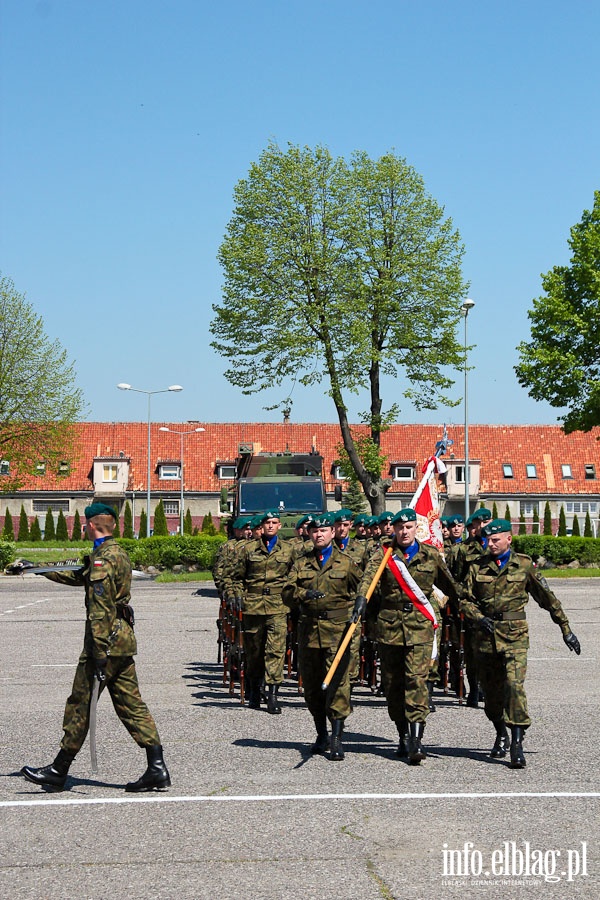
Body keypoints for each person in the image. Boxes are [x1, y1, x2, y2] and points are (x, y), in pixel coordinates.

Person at [20, 503, 170, 792]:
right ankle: (157, 767)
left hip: (106, 643)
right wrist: (38, 569)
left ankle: (58, 769)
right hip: (122, 642)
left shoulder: (103, 560)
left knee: (80, 703)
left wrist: (99, 652)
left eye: (84, 523)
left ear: (92, 525)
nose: (80, 527)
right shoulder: (115, 553)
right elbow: (78, 575)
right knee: (131, 705)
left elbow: (100, 609)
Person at [461, 518, 581, 768]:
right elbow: (465, 600)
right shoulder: (477, 567)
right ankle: (500, 732)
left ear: (508, 539)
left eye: (495, 540)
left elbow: (547, 598)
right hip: (485, 638)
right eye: (488, 540)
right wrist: (478, 617)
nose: (490, 544)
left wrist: (565, 629)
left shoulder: (524, 565)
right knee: (492, 696)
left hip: (515, 637)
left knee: (514, 687)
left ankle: (517, 742)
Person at [353, 508, 461, 764]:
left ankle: (416, 740)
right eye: (399, 527)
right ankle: (402, 734)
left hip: (420, 627)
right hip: (390, 629)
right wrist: (360, 600)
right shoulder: (384, 554)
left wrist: (469, 609)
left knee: (416, 681)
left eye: (409, 527)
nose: (404, 532)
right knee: (393, 685)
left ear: (416, 529)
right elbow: (368, 580)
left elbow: (451, 587)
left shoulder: (431, 555)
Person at [284, 513, 362, 760]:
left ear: (332, 533)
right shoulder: (300, 563)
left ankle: (337, 738)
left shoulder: (346, 563)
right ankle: (321, 734)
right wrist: (303, 595)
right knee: (312, 687)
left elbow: (362, 590)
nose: (319, 534)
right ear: (309, 534)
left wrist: (357, 614)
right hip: (309, 632)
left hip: (337, 631)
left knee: (338, 685)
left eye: (324, 530)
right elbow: (287, 591)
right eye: (314, 531)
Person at [230, 510, 296, 713]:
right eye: (267, 522)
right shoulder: (248, 550)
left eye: (274, 522)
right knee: (254, 652)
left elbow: (295, 575)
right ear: (262, 526)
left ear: (279, 526)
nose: (270, 526)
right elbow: (235, 577)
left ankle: (273, 694)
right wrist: (236, 594)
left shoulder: (288, 549)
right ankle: (255, 688)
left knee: (275, 650)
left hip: (278, 606)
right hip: (253, 605)